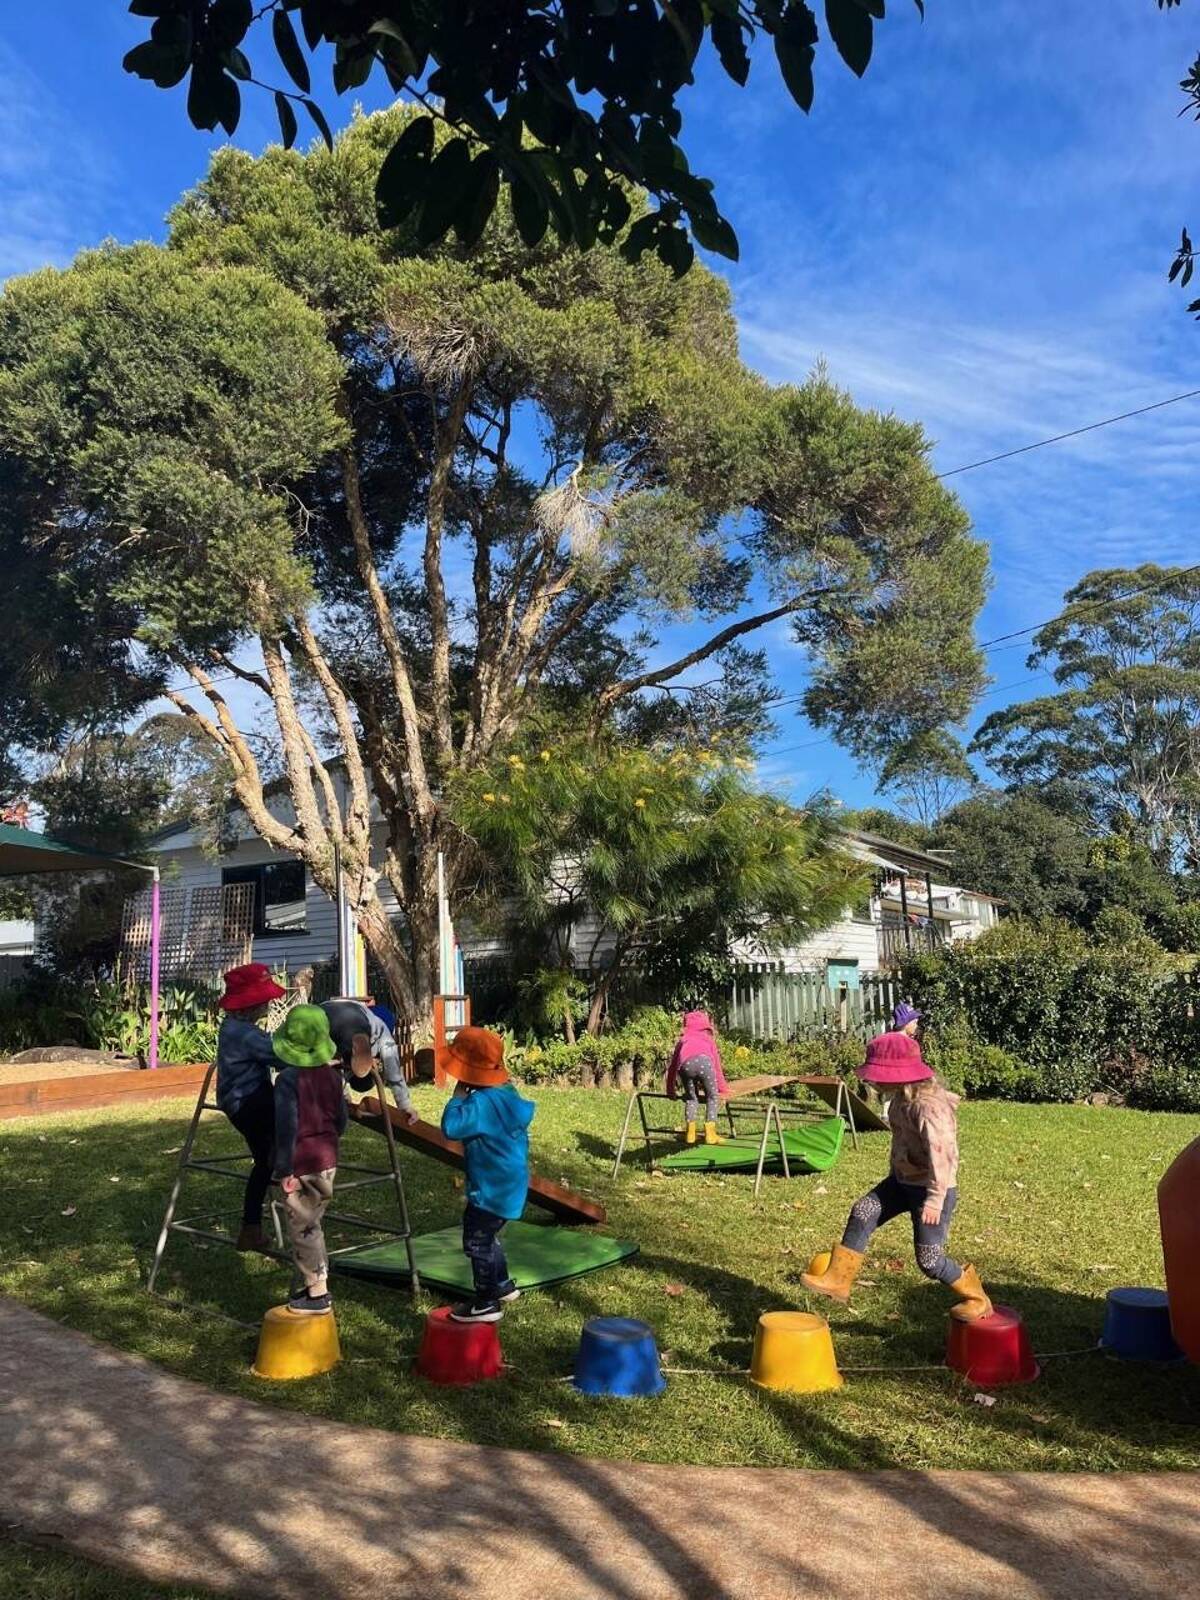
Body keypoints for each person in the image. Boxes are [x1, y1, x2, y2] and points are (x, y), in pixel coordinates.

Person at [800, 1007, 993, 1322]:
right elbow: (902, 1142)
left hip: (932, 1191)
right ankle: (838, 1280)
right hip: (902, 1182)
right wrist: (895, 1174)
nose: (872, 1080)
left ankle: (977, 1297)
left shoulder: (929, 1108)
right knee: (863, 1210)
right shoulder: (901, 1100)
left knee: (929, 1260)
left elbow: (943, 1155)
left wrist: (934, 1199)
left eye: (876, 1075)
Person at [439, 1026, 535, 1325]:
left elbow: (451, 1128)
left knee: (477, 1241)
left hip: (490, 1189)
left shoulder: (480, 1104)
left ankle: (486, 1302)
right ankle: (502, 1284)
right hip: (512, 1185)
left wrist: (457, 1098)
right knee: (489, 1234)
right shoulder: (508, 1095)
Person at [271, 1004, 349, 1316]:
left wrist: (284, 1168)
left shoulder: (288, 1081)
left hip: (301, 1162)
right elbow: (342, 1120)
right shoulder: (332, 1077)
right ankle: (315, 1283)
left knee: (303, 1227)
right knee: (312, 1223)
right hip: (327, 1158)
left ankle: (318, 1294)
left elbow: (286, 1127)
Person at [215, 962, 286, 1254]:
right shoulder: (245, 1034)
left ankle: (252, 1227)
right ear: (250, 1004)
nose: (268, 1005)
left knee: (266, 1159)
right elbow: (278, 1056)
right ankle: (252, 1227)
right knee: (269, 1159)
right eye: (264, 1000)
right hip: (248, 1101)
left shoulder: (232, 1028)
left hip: (241, 1100)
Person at [320, 996, 418, 1123]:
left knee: (332, 1060)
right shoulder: (384, 1032)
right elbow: (393, 1070)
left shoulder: (375, 1026)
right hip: (328, 1014)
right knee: (328, 1060)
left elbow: (393, 1069)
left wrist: (345, 1099)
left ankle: (356, 1033)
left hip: (333, 1010)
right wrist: (405, 1105)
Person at [665, 1009, 729, 1146]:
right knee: (712, 1097)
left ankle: (690, 1133)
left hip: (685, 1066)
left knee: (691, 1098)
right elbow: (717, 1067)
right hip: (705, 1064)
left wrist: (670, 1090)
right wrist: (723, 1089)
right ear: (706, 1026)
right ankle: (710, 1134)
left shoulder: (683, 1041)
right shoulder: (708, 1040)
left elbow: (672, 1068)